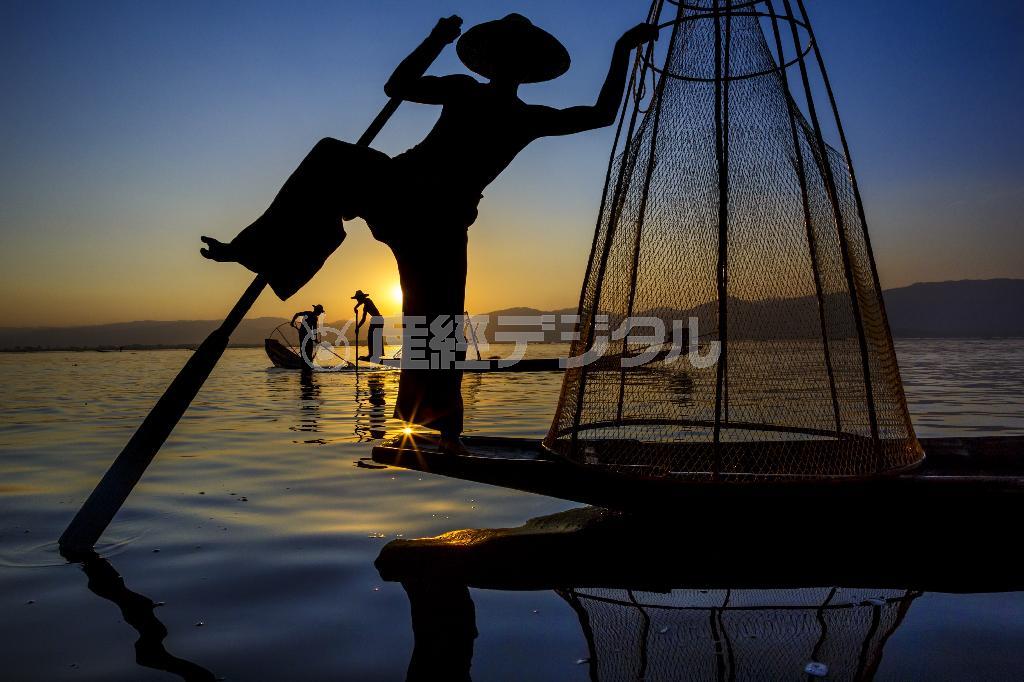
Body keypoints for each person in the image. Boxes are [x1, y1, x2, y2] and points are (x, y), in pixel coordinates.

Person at [200, 14, 658, 453]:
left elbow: (600, 114)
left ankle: (447, 432)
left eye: (515, 58)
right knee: (329, 157)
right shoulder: (461, 90)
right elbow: (397, 87)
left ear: (526, 69)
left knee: (438, 323)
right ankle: (257, 249)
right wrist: (434, 40)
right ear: (490, 59)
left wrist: (621, 51)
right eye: (500, 55)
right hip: (398, 188)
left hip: (439, 222)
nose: (505, 64)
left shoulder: (528, 117)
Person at [352, 290, 384, 362]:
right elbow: (363, 318)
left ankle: (372, 355)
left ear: (361, 298)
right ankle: (372, 354)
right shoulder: (365, 305)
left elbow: (363, 319)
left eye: (358, 298)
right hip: (376, 320)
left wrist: (357, 327)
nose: (357, 300)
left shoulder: (368, 301)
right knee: (370, 337)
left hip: (378, 319)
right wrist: (355, 307)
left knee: (372, 337)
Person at [290, 304, 324, 370]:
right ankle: (307, 366)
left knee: (304, 351)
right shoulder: (314, 317)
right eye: (320, 312)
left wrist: (292, 322)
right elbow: (314, 329)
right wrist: (315, 339)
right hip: (307, 336)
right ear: (318, 311)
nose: (320, 314)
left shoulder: (308, 313)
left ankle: (305, 366)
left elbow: (297, 314)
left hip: (303, 335)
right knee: (308, 351)